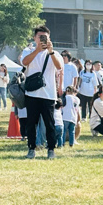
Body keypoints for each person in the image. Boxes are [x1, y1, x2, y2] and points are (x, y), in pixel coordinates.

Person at [21, 25, 62, 159]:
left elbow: (59, 67)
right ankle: (31, 148)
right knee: (31, 123)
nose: (42, 39)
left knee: (50, 124)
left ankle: (51, 149)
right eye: (40, 37)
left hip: (48, 94)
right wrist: (37, 50)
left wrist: (50, 51)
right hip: (32, 94)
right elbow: (24, 62)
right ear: (34, 38)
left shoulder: (54, 53)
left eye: (45, 37)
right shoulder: (28, 51)